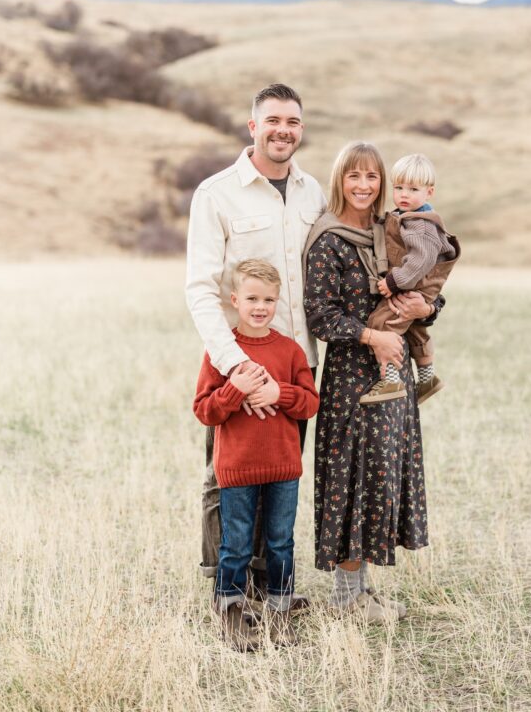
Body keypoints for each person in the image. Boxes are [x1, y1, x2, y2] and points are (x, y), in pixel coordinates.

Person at [185, 83, 325, 596]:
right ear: (253, 127)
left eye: (292, 122)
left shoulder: (313, 192)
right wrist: (236, 367)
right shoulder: (216, 193)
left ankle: (273, 590)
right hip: (237, 367)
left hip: (294, 366)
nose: (283, 130)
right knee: (227, 481)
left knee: (280, 479)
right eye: (273, 121)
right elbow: (201, 290)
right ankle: (227, 591)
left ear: (300, 130)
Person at [303, 141, 440, 622]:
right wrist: (370, 338)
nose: (363, 186)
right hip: (352, 378)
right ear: (339, 179)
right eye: (353, 176)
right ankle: (344, 599)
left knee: (380, 478)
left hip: (394, 374)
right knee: (349, 478)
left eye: (372, 177)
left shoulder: (393, 230)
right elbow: (320, 314)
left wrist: (429, 308)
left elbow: (426, 286)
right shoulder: (328, 240)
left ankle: (361, 593)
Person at [193, 259, 319, 650]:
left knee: (281, 540)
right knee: (237, 542)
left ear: (278, 302)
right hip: (237, 468)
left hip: (283, 467)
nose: (260, 307)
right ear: (235, 300)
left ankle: (280, 611)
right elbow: (204, 410)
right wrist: (236, 388)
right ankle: (231, 608)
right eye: (251, 298)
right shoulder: (221, 352)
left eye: (268, 299)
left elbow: (310, 404)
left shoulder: (290, 350)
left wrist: (278, 393)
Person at [360, 152, 460, 405]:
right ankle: (427, 378)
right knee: (415, 328)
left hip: (415, 283)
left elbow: (420, 261)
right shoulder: (409, 217)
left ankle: (391, 379)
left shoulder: (421, 225)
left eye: (413, 189)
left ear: (429, 192)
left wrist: (394, 282)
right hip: (418, 284)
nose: (404, 194)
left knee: (385, 320)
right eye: (399, 187)